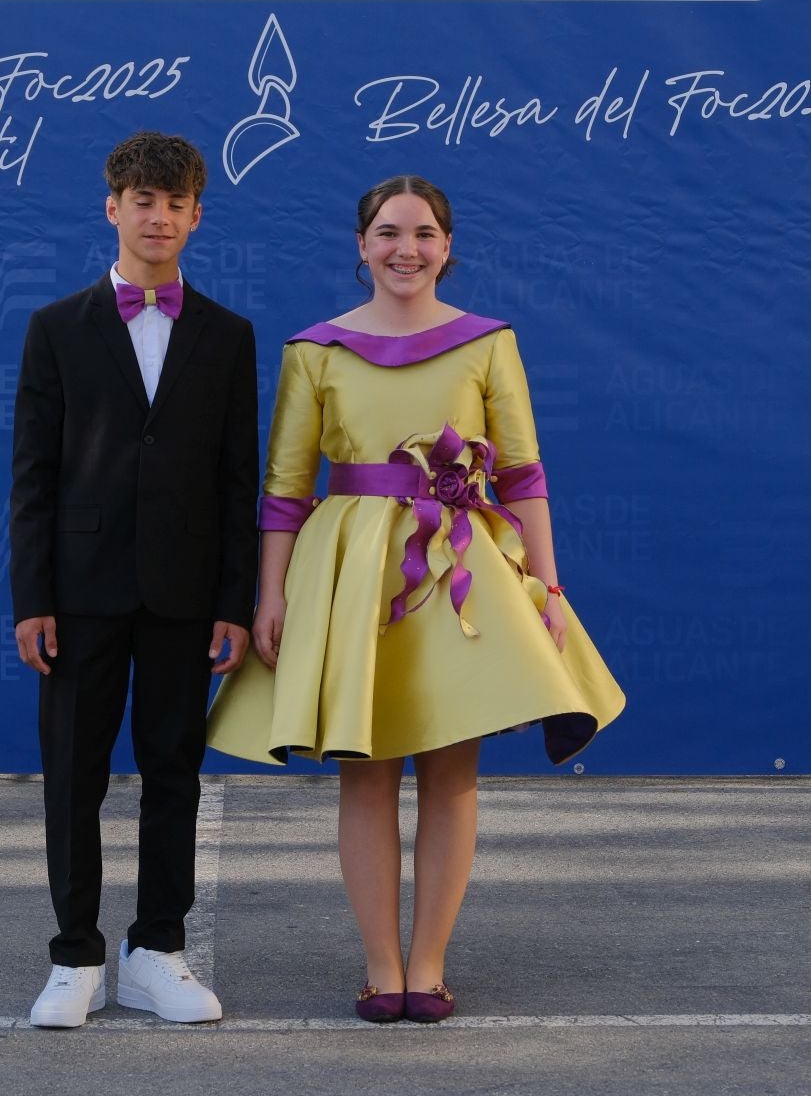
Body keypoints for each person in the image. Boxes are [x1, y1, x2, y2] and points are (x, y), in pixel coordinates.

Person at [207, 174, 625, 1024]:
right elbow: (285, 489)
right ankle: (380, 967)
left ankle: (428, 967)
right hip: (351, 576)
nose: (408, 249)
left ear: (447, 246)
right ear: (361, 246)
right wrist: (270, 595)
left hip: (461, 567)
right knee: (364, 775)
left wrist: (547, 586)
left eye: (425, 233)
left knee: (451, 771)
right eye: (390, 233)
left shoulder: (489, 342)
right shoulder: (314, 349)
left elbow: (523, 473)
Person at [10, 131, 258, 1028]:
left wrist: (233, 601)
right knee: (73, 776)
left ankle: (156, 949)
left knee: (174, 772)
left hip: (184, 596)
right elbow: (33, 475)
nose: (158, 217)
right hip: (78, 594)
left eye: (175, 203)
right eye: (142, 201)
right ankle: (75, 955)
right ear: (112, 208)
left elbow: (238, 479)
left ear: (197, 216)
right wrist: (32, 598)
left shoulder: (228, 336)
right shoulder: (55, 328)